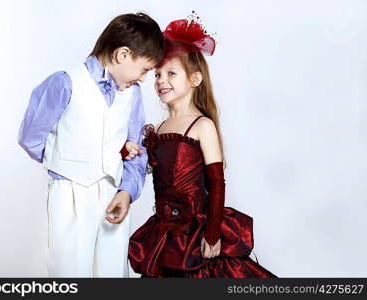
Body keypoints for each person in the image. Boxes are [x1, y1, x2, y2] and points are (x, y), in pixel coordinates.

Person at [17, 12, 164, 277]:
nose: (143, 78)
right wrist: (65, 160)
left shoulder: (133, 94)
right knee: (69, 271)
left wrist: (127, 191)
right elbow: (31, 137)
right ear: (123, 55)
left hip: (113, 195)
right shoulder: (65, 83)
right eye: (144, 69)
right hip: (70, 194)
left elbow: (136, 146)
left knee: (112, 272)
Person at [127, 17, 276, 277]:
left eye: (171, 73)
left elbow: (217, 183)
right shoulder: (159, 128)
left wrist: (213, 233)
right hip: (165, 233)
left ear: (195, 78)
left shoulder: (201, 125)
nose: (161, 81)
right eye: (158, 74)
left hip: (197, 233)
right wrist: (128, 150)